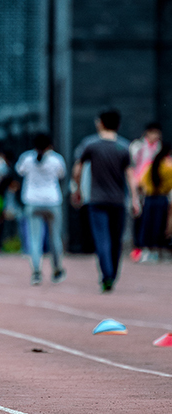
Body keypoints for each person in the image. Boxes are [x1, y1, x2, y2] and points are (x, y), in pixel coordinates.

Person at [71, 109, 132, 293]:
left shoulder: (90, 144)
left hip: (97, 200)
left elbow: (78, 168)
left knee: (102, 238)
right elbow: (130, 175)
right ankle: (112, 274)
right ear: (118, 125)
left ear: (100, 123)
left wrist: (78, 190)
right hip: (118, 200)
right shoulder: (123, 146)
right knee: (116, 239)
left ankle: (106, 275)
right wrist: (135, 199)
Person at [15, 133, 67, 285]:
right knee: (55, 238)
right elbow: (61, 175)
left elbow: (20, 171)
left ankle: (36, 272)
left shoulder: (27, 158)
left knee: (34, 239)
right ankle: (57, 269)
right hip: (52, 201)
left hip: (32, 202)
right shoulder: (56, 159)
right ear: (50, 145)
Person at [128, 123, 162, 262]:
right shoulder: (138, 146)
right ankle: (138, 248)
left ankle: (149, 248)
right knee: (138, 216)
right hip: (138, 186)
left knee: (151, 219)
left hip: (153, 188)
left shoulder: (159, 147)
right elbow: (131, 165)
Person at [134, 140, 172, 261]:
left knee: (148, 225)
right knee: (160, 226)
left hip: (149, 199)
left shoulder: (150, 164)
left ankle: (147, 252)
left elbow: (140, 182)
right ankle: (158, 251)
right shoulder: (169, 167)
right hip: (162, 199)